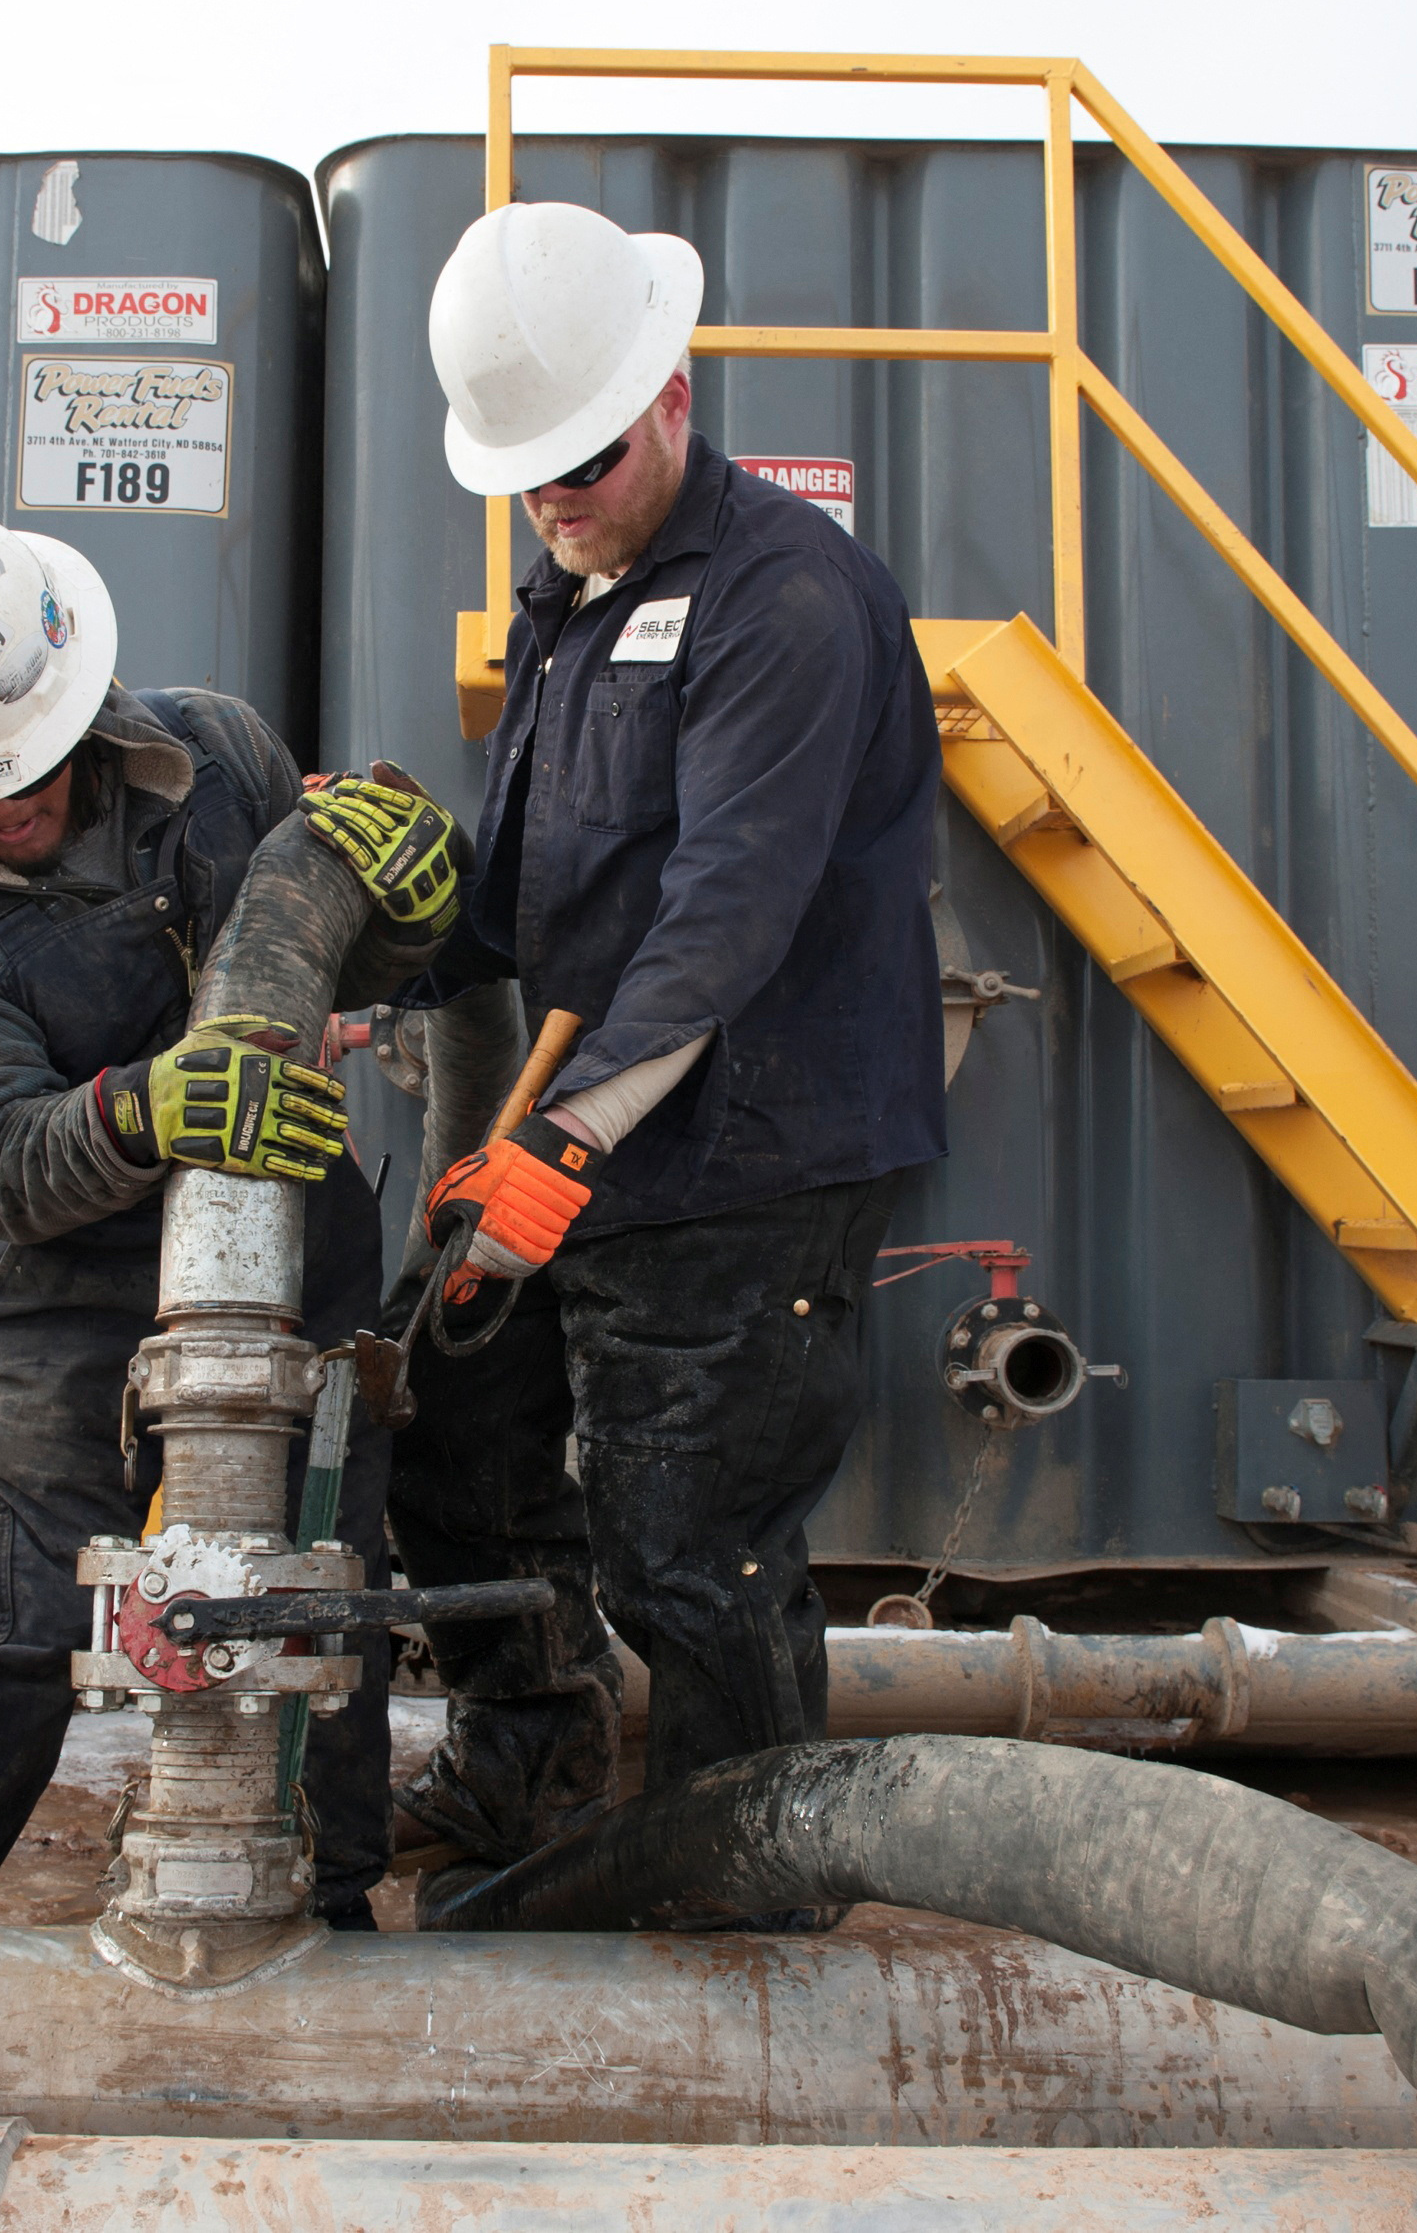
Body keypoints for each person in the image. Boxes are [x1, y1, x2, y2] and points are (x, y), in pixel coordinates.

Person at [0, 506, 456, 1930]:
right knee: (7, 1614)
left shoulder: (216, 753)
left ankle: (316, 1906)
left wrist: (405, 915)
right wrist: (144, 1113)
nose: (4, 806)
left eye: (21, 770)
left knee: (311, 1585)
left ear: (75, 701)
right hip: (57, 1285)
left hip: (289, 1249)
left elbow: (316, 944)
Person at [386, 202, 946, 1896]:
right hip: (602, 1137)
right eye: (527, 472)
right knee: (455, 1444)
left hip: (746, 1160)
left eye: (586, 458)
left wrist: (565, 1139)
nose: (555, 498)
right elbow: (534, 886)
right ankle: (535, 1770)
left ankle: (748, 1882)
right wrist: (385, 965)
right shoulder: (571, 591)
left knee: (686, 1550)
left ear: (677, 396)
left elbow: (723, 908)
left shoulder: (785, 599)